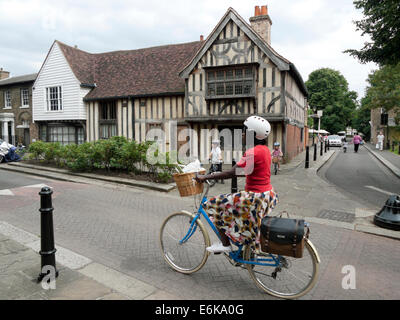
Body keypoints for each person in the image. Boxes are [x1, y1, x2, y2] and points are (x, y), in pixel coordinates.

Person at [195, 116, 278, 253]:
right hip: (267, 195)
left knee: (211, 205)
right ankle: (245, 246)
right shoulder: (264, 150)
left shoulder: (252, 152)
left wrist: (205, 177)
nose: (243, 134)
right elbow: (245, 171)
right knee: (232, 209)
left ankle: (225, 244)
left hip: (254, 197)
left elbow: (232, 173)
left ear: (253, 134)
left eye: (245, 131)